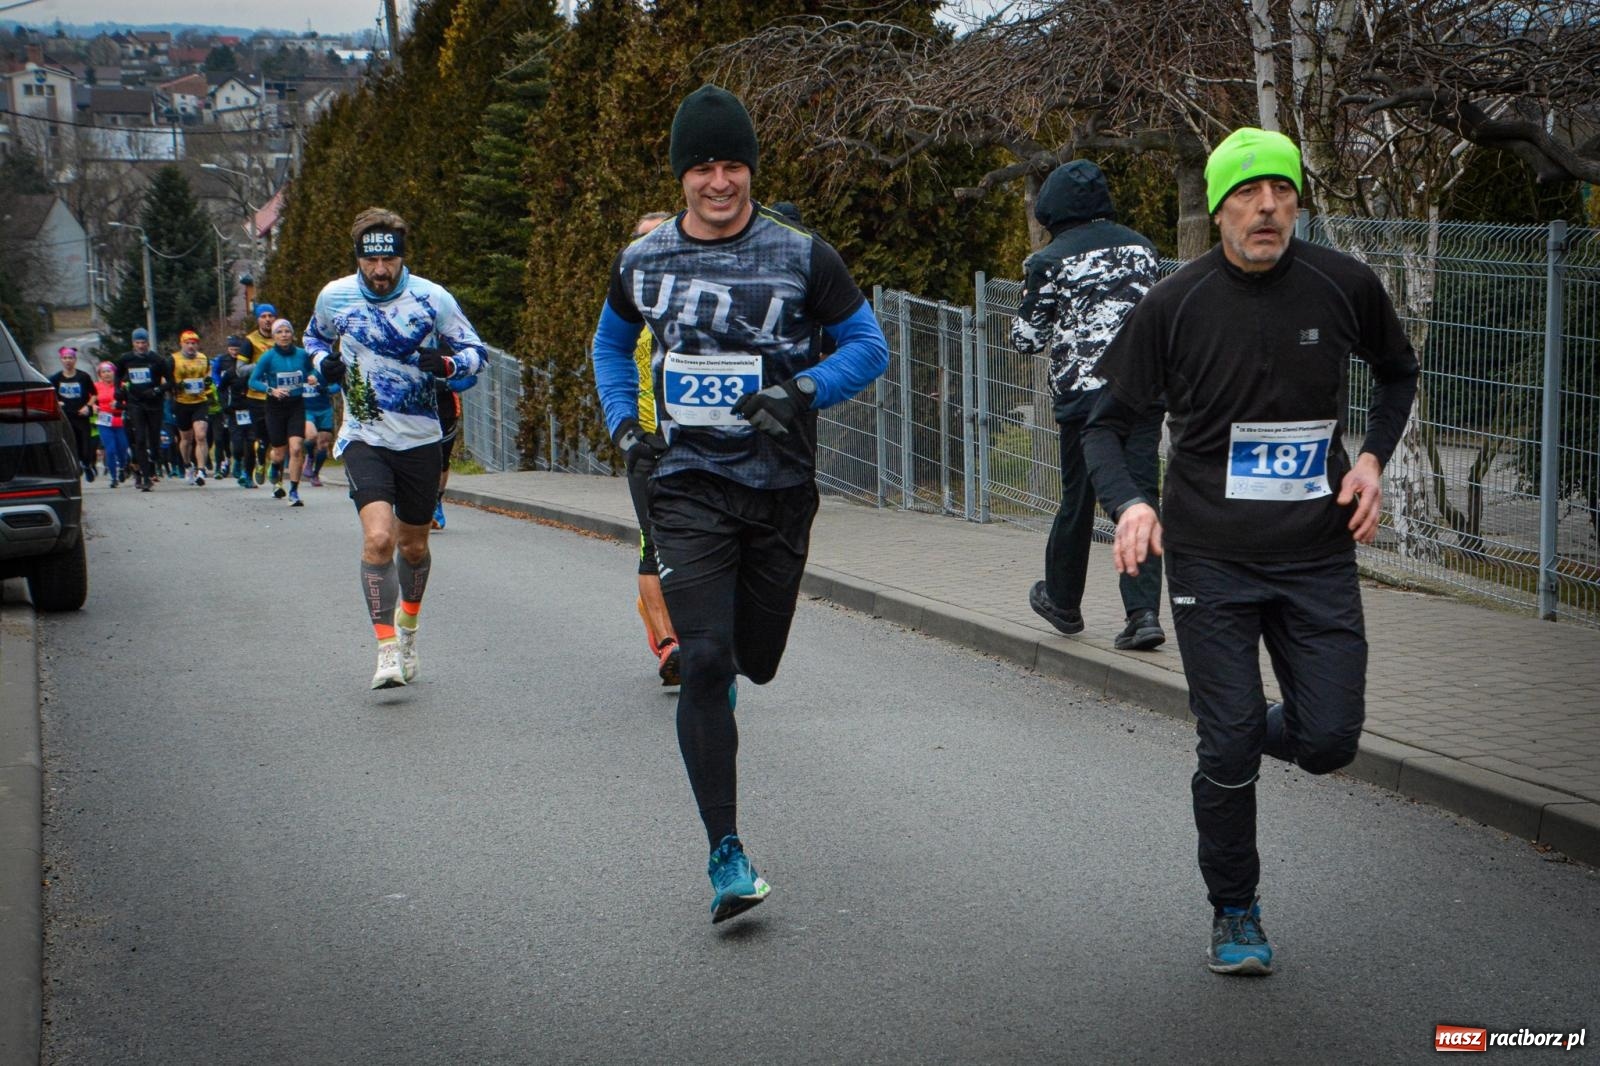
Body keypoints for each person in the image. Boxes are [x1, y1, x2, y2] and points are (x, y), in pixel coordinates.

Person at [1082, 128, 1419, 976]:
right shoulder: (1175, 302)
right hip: (1212, 561)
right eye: (1246, 193)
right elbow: (1106, 425)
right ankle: (1234, 910)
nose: (1266, 207)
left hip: (1315, 556)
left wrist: (1373, 457)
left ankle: (1232, 733)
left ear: (1298, 202)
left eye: (1282, 191)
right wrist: (1129, 503)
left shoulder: (1343, 285)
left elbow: (1397, 371)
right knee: (1229, 747)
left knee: (1329, 740)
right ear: (1221, 206)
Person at [589, 85, 889, 924]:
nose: (718, 182)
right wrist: (625, 426)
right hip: (684, 484)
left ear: (750, 170)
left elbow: (871, 347)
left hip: (779, 488)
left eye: (732, 165)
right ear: (681, 175)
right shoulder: (642, 262)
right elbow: (610, 343)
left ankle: (721, 687)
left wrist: (801, 391)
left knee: (753, 660)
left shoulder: (802, 255)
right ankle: (726, 854)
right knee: (708, 658)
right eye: (702, 167)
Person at [304, 207, 487, 690]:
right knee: (379, 539)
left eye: (389, 262)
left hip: (421, 439)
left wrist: (446, 363)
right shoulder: (334, 296)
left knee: (414, 544)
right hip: (365, 437)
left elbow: (476, 352)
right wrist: (324, 363)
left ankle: (408, 627)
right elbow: (313, 338)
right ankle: (386, 648)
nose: (380, 272)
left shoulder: (432, 298)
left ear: (402, 257)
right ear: (358, 258)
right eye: (370, 262)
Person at [1012, 159, 1166, 650]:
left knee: (1077, 498)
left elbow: (1026, 339)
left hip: (1085, 400)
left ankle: (1063, 600)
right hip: (1143, 390)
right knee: (1139, 496)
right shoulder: (1143, 248)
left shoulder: (1049, 260)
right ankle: (1143, 616)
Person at [619, 210, 681, 685]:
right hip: (647, 443)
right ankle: (668, 645)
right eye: (643, 240)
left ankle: (670, 619)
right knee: (651, 541)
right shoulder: (626, 305)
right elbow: (609, 361)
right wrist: (628, 433)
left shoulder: (693, 300)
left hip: (698, 442)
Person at [248, 319, 315, 506]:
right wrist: (271, 390)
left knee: (295, 447)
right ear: (274, 336)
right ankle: (274, 466)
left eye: (287, 331)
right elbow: (252, 382)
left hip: (296, 405)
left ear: (293, 335)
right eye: (280, 332)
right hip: (275, 407)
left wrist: (313, 377)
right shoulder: (268, 357)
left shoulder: (302, 355)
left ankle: (294, 491)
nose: (284, 335)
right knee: (279, 451)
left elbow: (314, 372)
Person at [115, 327, 173, 491]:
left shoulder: (157, 360)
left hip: (154, 404)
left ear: (148, 343)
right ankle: (146, 477)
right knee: (139, 439)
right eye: (137, 342)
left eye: (143, 342)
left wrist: (156, 391)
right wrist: (117, 390)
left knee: (154, 441)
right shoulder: (126, 359)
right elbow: (117, 375)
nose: (141, 346)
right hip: (135, 403)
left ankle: (154, 458)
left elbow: (170, 382)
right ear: (133, 343)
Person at [170, 330, 214, 486]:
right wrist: (178, 385)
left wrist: (208, 382)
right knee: (186, 439)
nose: (190, 346)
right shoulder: (174, 359)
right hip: (182, 402)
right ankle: (188, 465)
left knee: (201, 435)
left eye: (193, 343)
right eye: (187, 343)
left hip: (199, 402)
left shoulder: (203, 358)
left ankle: (201, 470)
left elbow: (208, 375)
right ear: (181, 344)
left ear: (198, 344)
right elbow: (167, 380)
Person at [216, 336, 259, 488]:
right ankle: (238, 461)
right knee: (238, 443)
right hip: (235, 411)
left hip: (252, 410)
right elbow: (220, 389)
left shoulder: (255, 371)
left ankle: (247, 475)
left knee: (251, 443)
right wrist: (224, 405)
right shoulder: (230, 372)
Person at [49, 346, 97, 481]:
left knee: (86, 446)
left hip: (81, 416)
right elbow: (50, 395)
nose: (68, 361)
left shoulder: (83, 377)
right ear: (61, 360)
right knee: (71, 444)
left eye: (70, 358)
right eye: (65, 358)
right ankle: (76, 469)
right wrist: (56, 403)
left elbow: (94, 394)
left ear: (75, 360)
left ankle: (87, 464)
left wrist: (87, 406)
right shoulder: (55, 378)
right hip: (65, 418)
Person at [92, 361, 129, 487]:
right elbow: (89, 401)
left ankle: (123, 468)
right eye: (103, 372)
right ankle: (114, 477)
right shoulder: (95, 386)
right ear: (100, 374)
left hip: (120, 420)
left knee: (122, 448)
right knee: (110, 449)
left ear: (114, 373)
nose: (107, 374)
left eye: (109, 371)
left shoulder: (122, 386)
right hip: (104, 421)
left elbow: (130, 403)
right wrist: (94, 406)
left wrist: (120, 405)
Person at [301, 370, 338, 488]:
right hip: (306, 410)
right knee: (311, 436)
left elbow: (339, 383)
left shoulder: (324, 366)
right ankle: (310, 456)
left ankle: (315, 474)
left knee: (324, 444)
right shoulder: (298, 365)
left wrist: (328, 390)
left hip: (324, 410)